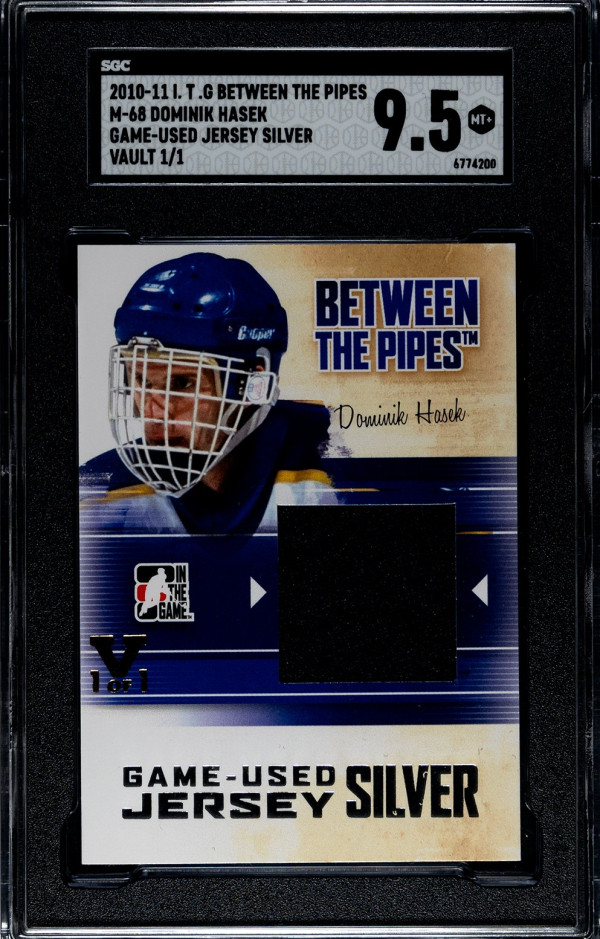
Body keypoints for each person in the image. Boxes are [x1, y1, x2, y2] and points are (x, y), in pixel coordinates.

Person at [80, 252, 336, 533]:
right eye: (142, 380)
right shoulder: (98, 493)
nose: (154, 413)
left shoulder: (326, 468)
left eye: (181, 383)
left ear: (252, 384)